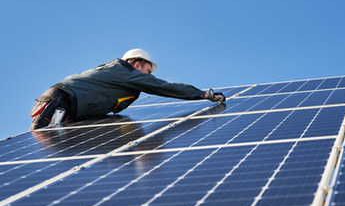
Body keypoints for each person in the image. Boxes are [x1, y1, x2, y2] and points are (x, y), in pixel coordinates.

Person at [30, 49, 226, 130]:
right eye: (148, 71)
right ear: (138, 64)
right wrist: (203, 94)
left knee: (52, 149)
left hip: (66, 104)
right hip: (60, 103)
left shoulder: (119, 76)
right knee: (42, 147)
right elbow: (164, 87)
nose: (149, 77)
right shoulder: (124, 72)